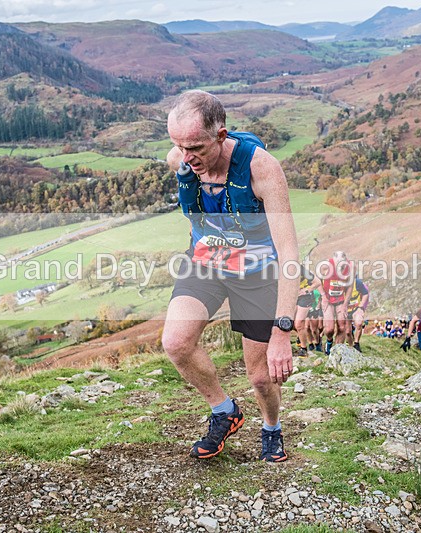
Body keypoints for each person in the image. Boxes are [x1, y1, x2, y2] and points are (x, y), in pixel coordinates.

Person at [162, 90, 298, 463]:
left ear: (221, 136)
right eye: (178, 146)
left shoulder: (262, 169)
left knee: (260, 376)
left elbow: (288, 253)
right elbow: (175, 157)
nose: (186, 158)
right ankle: (224, 411)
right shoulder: (182, 157)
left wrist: (282, 331)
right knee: (176, 342)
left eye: (195, 148)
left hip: (257, 272)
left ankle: (271, 427)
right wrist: (181, 154)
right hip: (206, 261)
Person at [319, 251, 351, 355]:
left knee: (342, 326)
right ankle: (329, 342)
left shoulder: (349, 268)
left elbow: (350, 287)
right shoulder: (326, 266)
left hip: (340, 299)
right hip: (328, 300)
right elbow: (316, 281)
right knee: (329, 329)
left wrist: (346, 304)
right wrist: (323, 297)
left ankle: (337, 351)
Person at [293, 268, 320, 357]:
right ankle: (300, 337)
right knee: (290, 323)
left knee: (299, 323)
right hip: (291, 297)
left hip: (304, 297)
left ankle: (304, 349)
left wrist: (306, 290)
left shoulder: (301, 269)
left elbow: (317, 282)